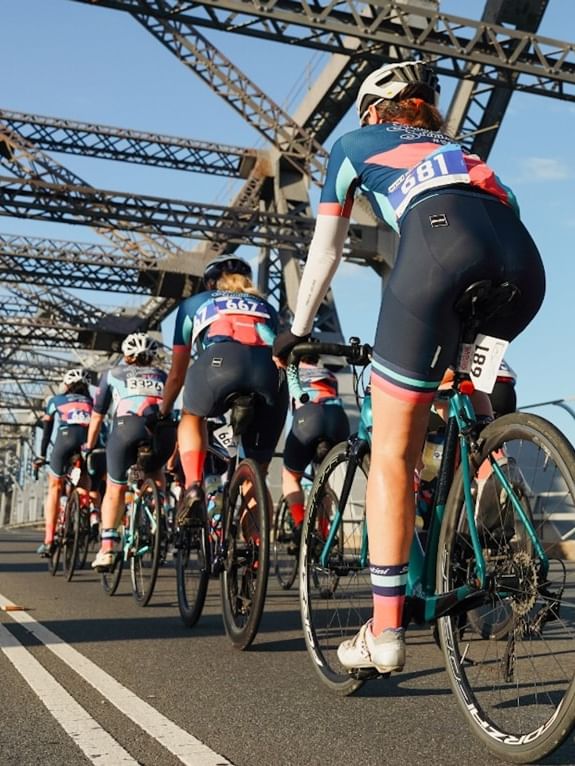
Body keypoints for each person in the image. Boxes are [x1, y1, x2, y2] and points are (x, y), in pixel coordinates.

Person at [272, 60, 545, 674]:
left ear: (373, 110)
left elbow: (327, 248)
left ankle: (387, 632)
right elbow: (513, 213)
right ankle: (492, 475)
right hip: (522, 268)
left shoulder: (355, 144)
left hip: (439, 253)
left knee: (393, 453)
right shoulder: (469, 155)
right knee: (471, 397)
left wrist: (297, 329)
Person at [159, 254, 288, 525]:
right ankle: (256, 558)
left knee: (192, 417)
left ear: (209, 283)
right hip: (268, 373)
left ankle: (194, 486)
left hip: (218, 364)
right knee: (257, 476)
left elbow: (177, 374)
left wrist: (164, 409)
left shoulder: (193, 304)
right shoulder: (267, 308)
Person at [84, 332, 176, 570]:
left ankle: (107, 548)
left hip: (127, 428)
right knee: (156, 475)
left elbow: (97, 416)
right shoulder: (163, 375)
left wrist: (89, 446)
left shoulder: (111, 374)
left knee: (115, 487)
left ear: (126, 355)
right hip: (161, 431)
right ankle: (160, 519)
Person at [282, 351, 350, 551]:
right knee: (323, 481)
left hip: (309, 418)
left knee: (290, 476)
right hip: (338, 419)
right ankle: (324, 533)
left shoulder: (292, 371)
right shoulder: (329, 375)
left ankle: (301, 524)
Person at [33, 368, 96, 556]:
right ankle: (87, 515)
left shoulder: (55, 401)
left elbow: (46, 432)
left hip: (65, 440)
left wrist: (41, 456)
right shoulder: (93, 403)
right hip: (88, 443)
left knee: (55, 487)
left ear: (67, 385)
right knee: (85, 483)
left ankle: (49, 540)